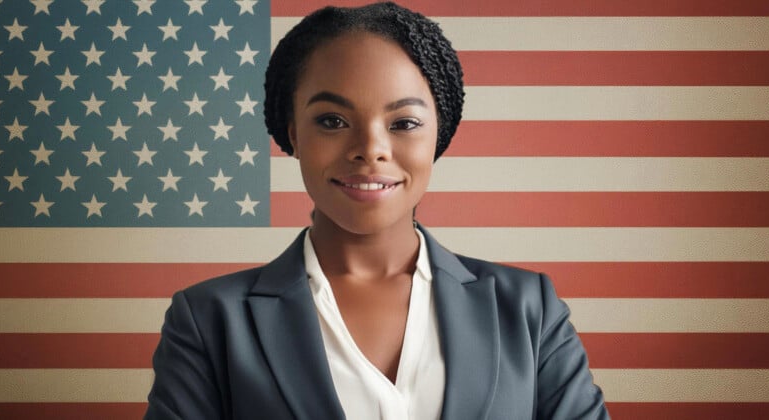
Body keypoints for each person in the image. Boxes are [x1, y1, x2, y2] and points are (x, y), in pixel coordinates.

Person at [145, 2, 609, 419]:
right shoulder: (209, 320)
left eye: (403, 123)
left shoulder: (530, 309)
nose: (370, 149)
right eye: (332, 121)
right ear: (292, 133)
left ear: (438, 136)